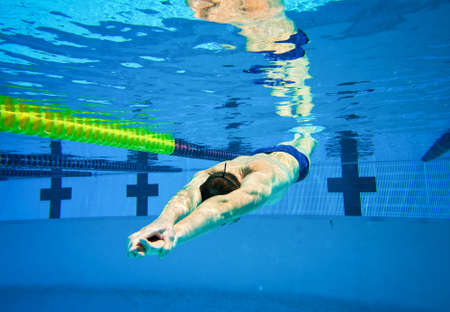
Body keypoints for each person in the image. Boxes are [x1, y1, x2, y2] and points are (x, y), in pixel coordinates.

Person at [127, 133, 316, 258]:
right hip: (257, 156)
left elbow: (222, 209)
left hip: (293, 159)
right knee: (287, 144)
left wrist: (176, 234)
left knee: (307, 141)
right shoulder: (208, 174)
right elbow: (187, 195)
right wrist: (163, 221)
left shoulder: (261, 185)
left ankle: (306, 132)